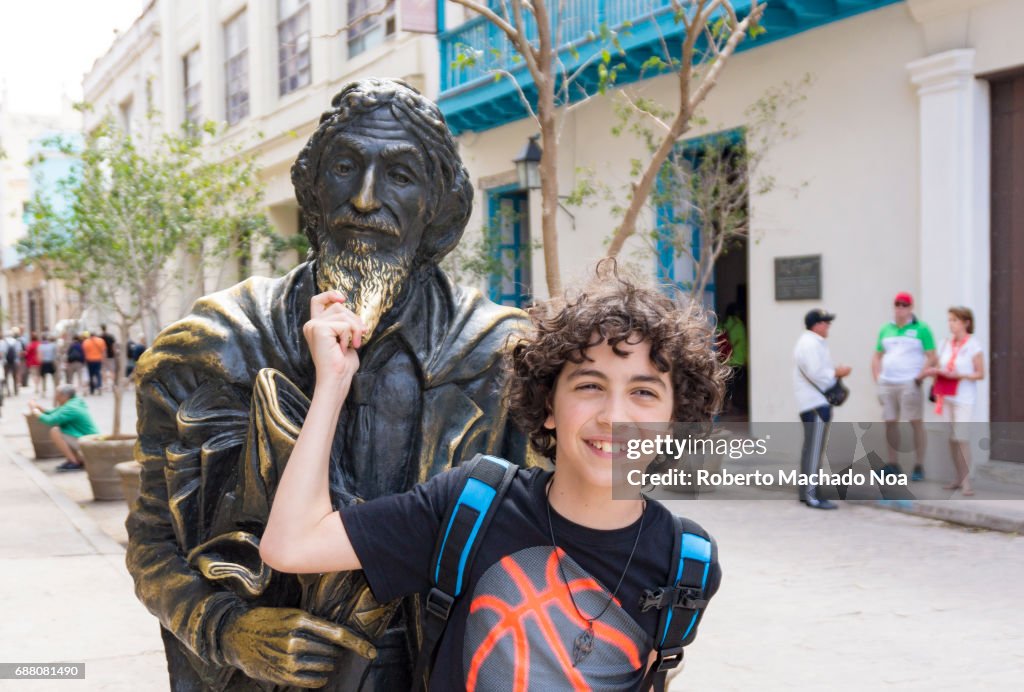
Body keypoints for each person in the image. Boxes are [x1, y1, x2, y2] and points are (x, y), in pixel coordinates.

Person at [126, 79, 530, 690]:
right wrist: (226, 631)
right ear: (312, 190)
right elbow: (152, 544)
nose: (365, 200)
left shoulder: (504, 360)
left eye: (399, 175)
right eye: (345, 167)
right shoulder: (210, 348)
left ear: (440, 210)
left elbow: (562, 539)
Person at [261, 265, 725, 690]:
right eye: (589, 385)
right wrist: (334, 382)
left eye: (643, 392)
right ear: (548, 405)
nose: (614, 416)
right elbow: (291, 545)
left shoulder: (687, 562)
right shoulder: (472, 507)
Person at [872, 292, 937, 481]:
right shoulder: (886, 329)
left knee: (915, 422)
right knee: (890, 422)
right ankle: (892, 464)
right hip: (888, 382)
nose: (900, 308)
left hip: (909, 382)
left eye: (904, 305)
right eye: (897, 305)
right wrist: (878, 376)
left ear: (910, 308)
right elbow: (877, 355)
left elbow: (932, 355)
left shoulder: (922, 328)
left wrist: (919, 375)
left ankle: (919, 465)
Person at [793, 309, 852, 510]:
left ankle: (807, 492)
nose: (828, 326)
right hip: (815, 403)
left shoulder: (812, 342)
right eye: (825, 322)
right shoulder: (810, 343)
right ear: (816, 324)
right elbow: (817, 373)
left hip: (814, 402)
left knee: (812, 449)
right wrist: (839, 372)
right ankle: (811, 496)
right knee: (814, 450)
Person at [923, 306, 985, 496]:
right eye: (949, 320)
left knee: (962, 437)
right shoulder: (944, 344)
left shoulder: (973, 345)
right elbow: (939, 366)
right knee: (951, 438)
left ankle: (967, 481)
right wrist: (935, 371)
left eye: (955, 320)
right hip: (946, 395)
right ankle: (957, 477)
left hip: (964, 397)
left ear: (966, 322)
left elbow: (980, 374)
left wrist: (961, 375)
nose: (951, 324)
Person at [28, 384, 100, 472]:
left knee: (55, 432)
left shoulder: (70, 408)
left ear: (64, 396)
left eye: (57, 394)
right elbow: (52, 412)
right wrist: (38, 407)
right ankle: (77, 459)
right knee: (58, 430)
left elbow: (50, 420)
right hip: (87, 439)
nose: (56, 397)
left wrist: (34, 411)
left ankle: (74, 462)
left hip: (88, 442)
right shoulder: (74, 402)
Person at [720, 302, 748, 415]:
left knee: (726, 384)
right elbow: (743, 343)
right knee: (736, 385)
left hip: (724, 359)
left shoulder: (722, 324)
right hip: (737, 359)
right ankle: (731, 406)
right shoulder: (739, 324)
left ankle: (724, 405)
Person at [81, 331, 106, 395]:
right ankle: (99, 386)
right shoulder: (100, 341)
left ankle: (92, 389)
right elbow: (103, 350)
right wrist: (103, 359)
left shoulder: (86, 342)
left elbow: (84, 352)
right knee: (98, 373)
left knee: (91, 375)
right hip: (98, 359)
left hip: (89, 360)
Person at [2, 331, 21, 397]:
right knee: (15, 376)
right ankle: (15, 390)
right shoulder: (16, 342)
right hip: (15, 361)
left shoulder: (3, 342)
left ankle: (8, 391)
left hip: (5, 362)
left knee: (6, 377)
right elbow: (19, 352)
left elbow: (2, 353)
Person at [99, 324, 117, 392]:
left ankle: (105, 384)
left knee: (103, 370)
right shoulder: (110, 336)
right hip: (111, 355)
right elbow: (113, 346)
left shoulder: (100, 337)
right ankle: (112, 384)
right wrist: (115, 354)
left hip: (102, 356)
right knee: (112, 370)